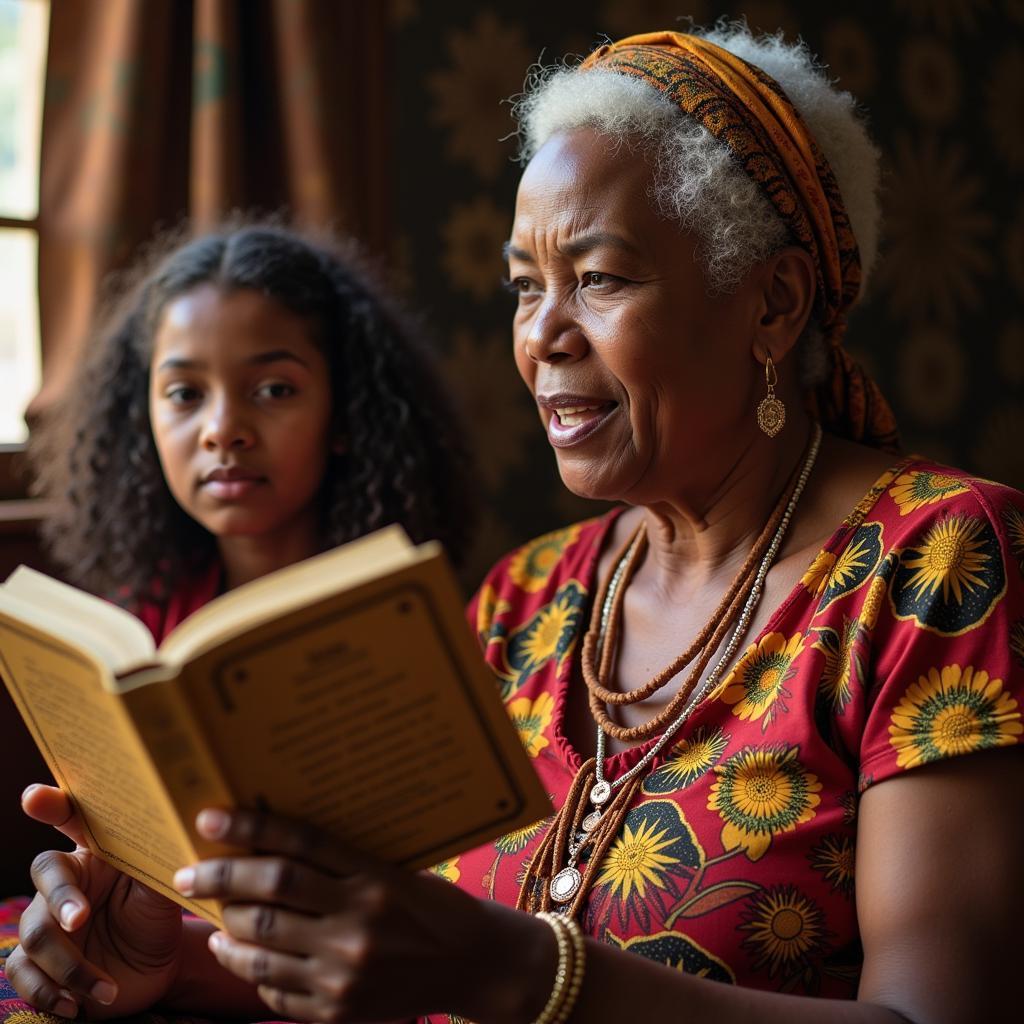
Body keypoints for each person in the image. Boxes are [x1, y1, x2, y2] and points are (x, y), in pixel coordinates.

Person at [7, 24, 1024, 1024]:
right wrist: (167, 964)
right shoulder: (528, 598)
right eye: (524, 287)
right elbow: (403, 956)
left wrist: (523, 977)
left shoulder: (938, 562)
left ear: (774, 302)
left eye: (600, 277)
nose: (541, 335)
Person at [29, 221, 477, 641]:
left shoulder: (410, 624)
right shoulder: (137, 623)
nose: (222, 431)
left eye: (274, 390)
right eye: (185, 394)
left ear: (344, 412)